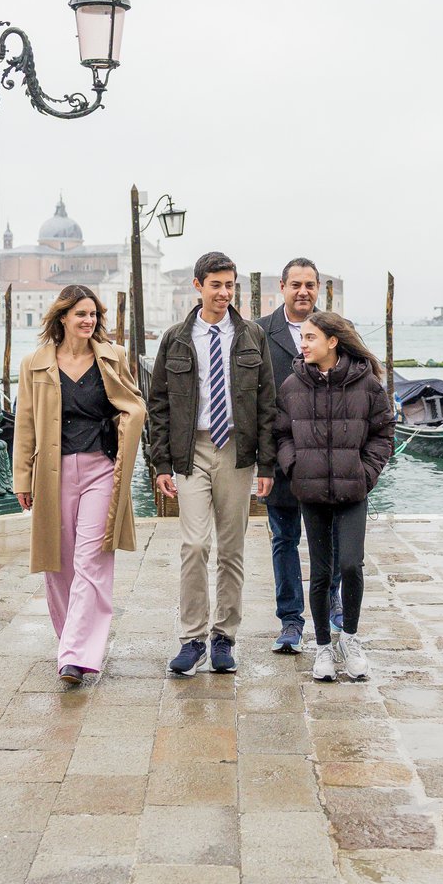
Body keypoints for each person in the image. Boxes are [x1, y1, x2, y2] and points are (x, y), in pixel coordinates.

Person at [144, 251, 276, 676]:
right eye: (216, 285)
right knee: (196, 545)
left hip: (237, 452)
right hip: (192, 451)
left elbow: (268, 404)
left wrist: (267, 466)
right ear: (198, 286)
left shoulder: (252, 335)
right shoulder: (176, 339)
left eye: (229, 285)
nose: (223, 293)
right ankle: (191, 638)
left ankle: (224, 638)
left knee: (232, 549)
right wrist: (161, 463)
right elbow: (158, 404)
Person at [13, 284, 148, 687]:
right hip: (51, 473)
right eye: (81, 314)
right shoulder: (34, 364)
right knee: (58, 564)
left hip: (100, 470)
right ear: (62, 318)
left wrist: (127, 434)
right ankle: (70, 641)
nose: (88, 321)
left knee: (92, 560)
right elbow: (25, 424)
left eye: (93, 314)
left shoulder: (113, 357)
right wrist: (22, 478)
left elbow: (134, 404)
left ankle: (75, 656)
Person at [272, 311, 394, 683]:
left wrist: (366, 472)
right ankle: (324, 646)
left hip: (353, 491)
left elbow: (383, 433)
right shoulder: (292, 385)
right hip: (311, 492)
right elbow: (281, 434)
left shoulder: (367, 385)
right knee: (321, 573)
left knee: (351, 565)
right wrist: (295, 467)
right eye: (302, 338)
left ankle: (350, 640)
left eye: (310, 337)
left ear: (332, 341)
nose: (303, 344)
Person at [257, 258, 342, 653]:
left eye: (310, 284)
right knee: (284, 539)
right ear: (282, 287)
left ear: (318, 288)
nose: (303, 291)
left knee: (329, 538)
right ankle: (290, 620)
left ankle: (332, 603)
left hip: (327, 457)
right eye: (296, 284)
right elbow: (253, 397)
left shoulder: (335, 329)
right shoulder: (260, 332)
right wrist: (262, 459)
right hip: (281, 454)